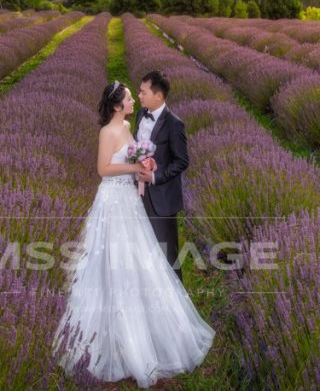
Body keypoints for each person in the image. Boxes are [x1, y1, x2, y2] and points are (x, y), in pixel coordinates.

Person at [51, 80, 214, 388]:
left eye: (136, 95)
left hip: (130, 200)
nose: (133, 101)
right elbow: (102, 169)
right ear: (116, 105)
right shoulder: (107, 132)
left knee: (140, 261)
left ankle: (146, 332)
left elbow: (139, 155)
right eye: (128, 97)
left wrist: (145, 163)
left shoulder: (129, 124)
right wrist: (133, 168)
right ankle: (111, 339)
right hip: (113, 202)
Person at [133, 70, 189, 282]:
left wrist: (155, 178)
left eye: (143, 92)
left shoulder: (175, 124)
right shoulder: (140, 115)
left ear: (158, 95)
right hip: (137, 194)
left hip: (162, 198)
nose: (139, 95)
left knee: (168, 254)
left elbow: (182, 161)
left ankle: (178, 307)